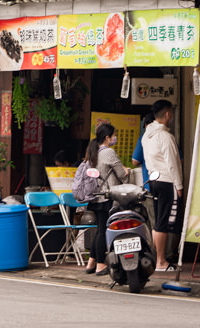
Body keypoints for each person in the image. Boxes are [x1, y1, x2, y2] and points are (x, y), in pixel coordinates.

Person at [74, 125, 130, 275]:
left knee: (100, 229)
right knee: (103, 231)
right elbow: (122, 174)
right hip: (106, 197)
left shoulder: (93, 151)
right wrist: (126, 170)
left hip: (95, 197)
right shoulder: (108, 152)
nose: (114, 138)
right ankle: (100, 264)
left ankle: (91, 263)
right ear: (107, 137)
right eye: (114, 135)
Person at [141, 99, 184, 271]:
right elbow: (173, 163)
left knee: (158, 222)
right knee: (164, 223)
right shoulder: (165, 137)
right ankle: (161, 261)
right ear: (167, 114)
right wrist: (179, 187)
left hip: (153, 180)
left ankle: (157, 258)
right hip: (167, 181)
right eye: (171, 113)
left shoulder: (146, 135)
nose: (172, 117)